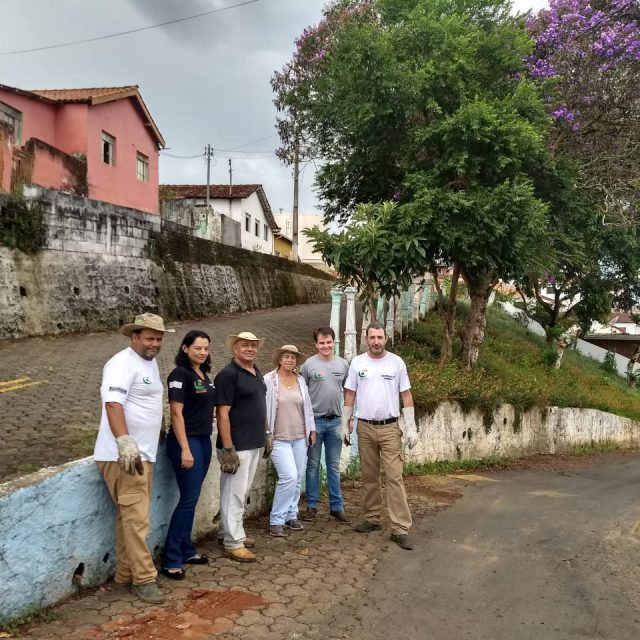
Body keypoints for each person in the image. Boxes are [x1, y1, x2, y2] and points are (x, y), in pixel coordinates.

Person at [93, 312, 174, 604]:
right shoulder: (121, 363)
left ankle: (125, 574)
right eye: (150, 338)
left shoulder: (147, 363)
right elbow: (113, 404)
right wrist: (125, 442)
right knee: (137, 519)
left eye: (159, 339)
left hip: (141, 455)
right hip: (125, 457)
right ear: (134, 337)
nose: (155, 344)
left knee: (127, 517)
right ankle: (144, 578)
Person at [343, 321, 419, 551]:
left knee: (394, 477)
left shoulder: (396, 363)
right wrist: (345, 422)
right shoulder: (358, 363)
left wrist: (411, 426)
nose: (376, 342)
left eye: (380, 337)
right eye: (372, 337)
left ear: (386, 338)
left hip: (389, 429)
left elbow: (406, 395)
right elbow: (350, 393)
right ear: (366, 339)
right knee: (369, 476)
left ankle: (400, 528)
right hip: (365, 428)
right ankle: (372, 518)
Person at [161, 330, 216, 580]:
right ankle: (171, 559)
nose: (202, 352)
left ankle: (186, 550)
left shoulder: (204, 375)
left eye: (205, 348)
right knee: (187, 500)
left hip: (203, 440)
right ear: (185, 348)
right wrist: (184, 447)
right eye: (197, 348)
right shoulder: (179, 375)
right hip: (187, 442)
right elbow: (176, 413)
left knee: (192, 499)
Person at [214, 331, 271, 562]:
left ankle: (230, 531)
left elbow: (260, 405)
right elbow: (222, 413)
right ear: (235, 349)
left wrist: (267, 433)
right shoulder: (227, 375)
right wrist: (228, 449)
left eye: (253, 345)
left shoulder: (256, 372)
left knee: (241, 492)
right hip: (236, 446)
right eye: (245, 345)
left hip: (253, 442)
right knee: (233, 493)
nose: (250, 349)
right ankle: (233, 542)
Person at [300, 327, 350, 522]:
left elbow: (349, 393)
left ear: (334, 342)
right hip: (315, 424)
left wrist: (349, 419)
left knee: (333, 466)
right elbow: (301, 393)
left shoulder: (343, 365)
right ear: (316, 344)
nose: (326, 346)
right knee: (312, 465)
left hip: (336, 421)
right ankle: (311, 506)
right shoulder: (308, 365)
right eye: (322, 343)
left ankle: (336, 507)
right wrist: (306, 423)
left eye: (329, 342)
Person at [265, 345, 316, 537]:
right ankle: (276, 519)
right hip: (279, 437)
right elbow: (263, 408)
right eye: (286, 357)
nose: (289, 360)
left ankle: (291, 515)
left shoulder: (300, 380)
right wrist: (265, 432)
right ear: (280, 359)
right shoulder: (269, 379)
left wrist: (312, 429)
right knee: (289, 476)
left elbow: (307, 407)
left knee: (297, 477)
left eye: (293, 357)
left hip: (300, 436)